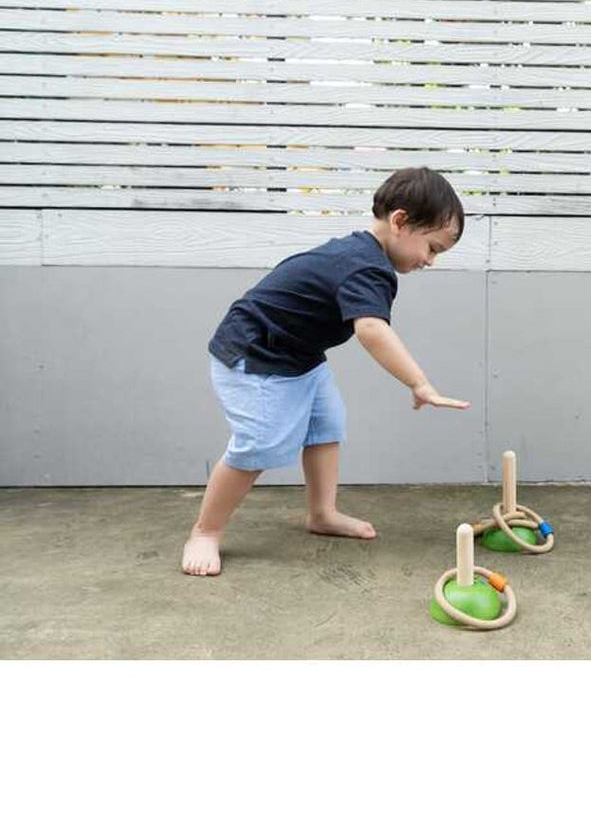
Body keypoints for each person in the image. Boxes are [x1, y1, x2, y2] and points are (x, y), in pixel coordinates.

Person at [181, 166, 469, 576]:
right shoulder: (366, 266)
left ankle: (322, 513)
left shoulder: (363, 256)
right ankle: (206, 531)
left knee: (326, 425)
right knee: (259, 443)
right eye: (433, 248)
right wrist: (419, 383)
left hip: (299, 357)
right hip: (254, 355)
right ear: (400, 221)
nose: (431, 261)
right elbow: (371, 328)